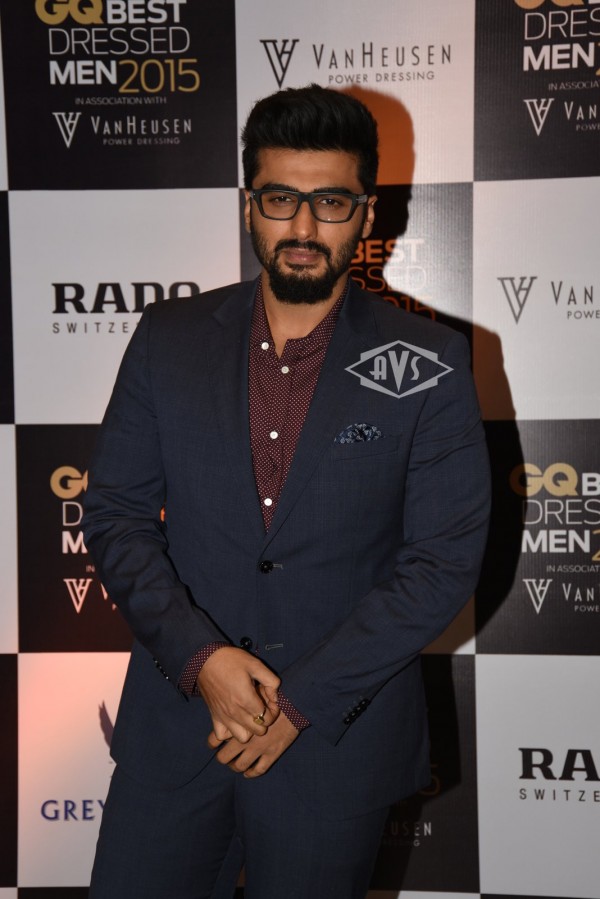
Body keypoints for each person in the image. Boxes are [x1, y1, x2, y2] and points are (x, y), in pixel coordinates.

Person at [83, 83, 490, 899]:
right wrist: (202, 660)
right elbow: (116, 514)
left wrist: (298, 704)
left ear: (366, 214)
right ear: (249, 206)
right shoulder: (167, 340)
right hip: (176, 732)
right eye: (280, 199)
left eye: (330, 202)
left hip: (332, 746)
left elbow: (443, 562)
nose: (303, 227)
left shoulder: (430, 362)